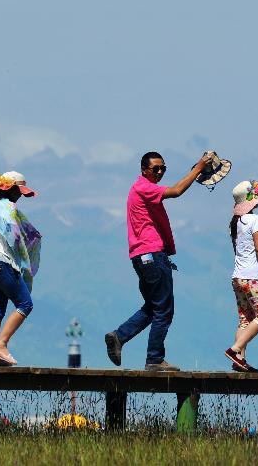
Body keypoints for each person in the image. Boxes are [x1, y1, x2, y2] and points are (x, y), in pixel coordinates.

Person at [105, 151, 212, 371]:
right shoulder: (144, 187)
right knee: (164, 310)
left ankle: (119, 336)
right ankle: (154, 359)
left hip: (143, 257)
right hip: (151, 255)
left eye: (163, 168)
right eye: (156, 169)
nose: (160, 172)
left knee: (154, 307)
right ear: (144, 170)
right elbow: (177, 190)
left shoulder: (144, 190)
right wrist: (199, 167)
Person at [0, 171, 41, 367]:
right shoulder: (8, 207)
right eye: (19, 191)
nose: (20, 195)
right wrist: (23, 253)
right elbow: (14, 236)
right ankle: (1, 345)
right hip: (2, 261)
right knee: (25, 304)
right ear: (12, 189)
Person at [224, 180, 258, 373]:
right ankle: (235, 349)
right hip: (252, 276)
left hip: (237, 276)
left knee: (245, 318)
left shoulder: (234, 223)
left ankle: (240, 359)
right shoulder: (255, 220)